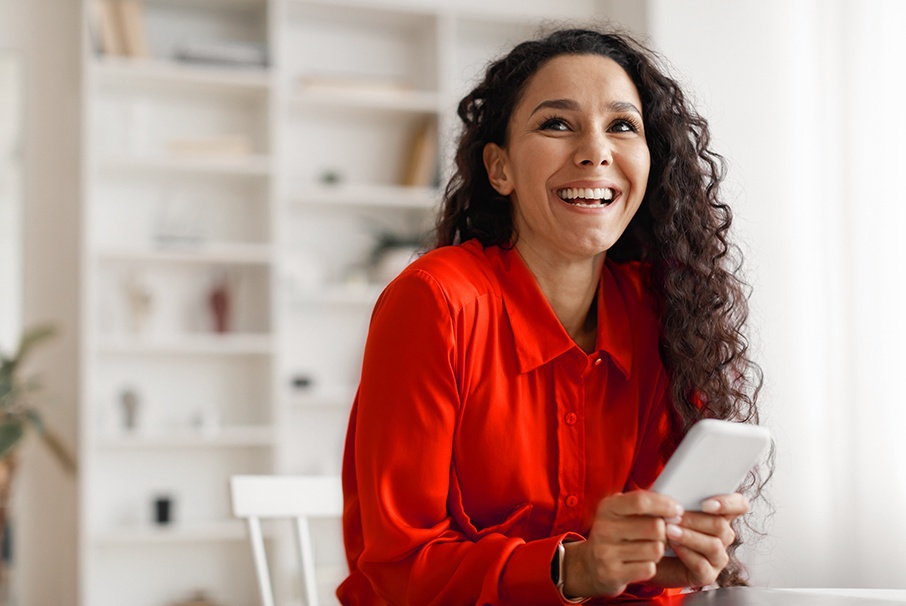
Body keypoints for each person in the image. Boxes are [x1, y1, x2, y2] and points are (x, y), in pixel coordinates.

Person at [337, 27, 766, 605]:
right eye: (557, 124)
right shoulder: (435, 302)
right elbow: (397, 569)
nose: (596, 150)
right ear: (500, 169)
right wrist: (575, 567)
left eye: (622, 126)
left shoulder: (659, 315)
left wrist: (661, 563)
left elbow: (633, 574)